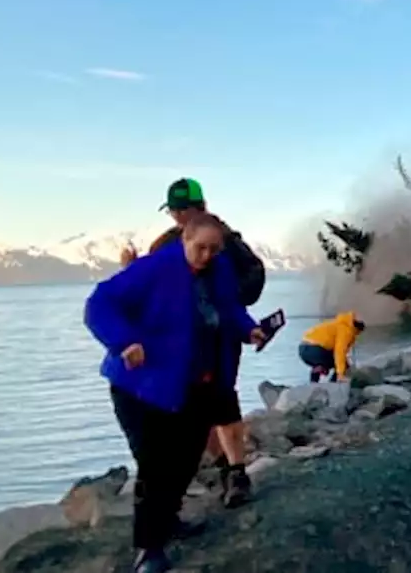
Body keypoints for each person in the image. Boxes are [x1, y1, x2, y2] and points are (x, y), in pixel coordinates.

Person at [86, 212, 267, 573]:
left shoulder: (219, 269)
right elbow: (99, 304)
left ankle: (168, 521)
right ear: (185, 239)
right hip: (140, 386)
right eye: (200, 248)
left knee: (185, 462)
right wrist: (124, 341)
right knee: (155, 465)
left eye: (214, 250)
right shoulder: (154, 269)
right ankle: (148, 550)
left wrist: (250, 330)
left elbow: (229, 309)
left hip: (196, 385)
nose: (207, 256)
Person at [120, 177, 266, 508]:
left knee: (213, 404)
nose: (174, 217)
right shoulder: (227, 238)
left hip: (201, 340)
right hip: (209, 337)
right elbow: (251, 281)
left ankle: (229, 471)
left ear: (183, 211)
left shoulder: (177, 243)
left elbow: (142, 289)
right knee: (216, 403)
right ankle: (231, 472)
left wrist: (130, 269)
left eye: (175, 211)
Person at [299, 311, 365, 383]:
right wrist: (340, 374)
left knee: (322, 364)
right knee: (344, 366)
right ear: (357, 328)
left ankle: (313, 384)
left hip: (303, 350)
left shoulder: (336, 324)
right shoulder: (346, 331)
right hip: (316, 350)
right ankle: (334, 383)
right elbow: (340, 352)